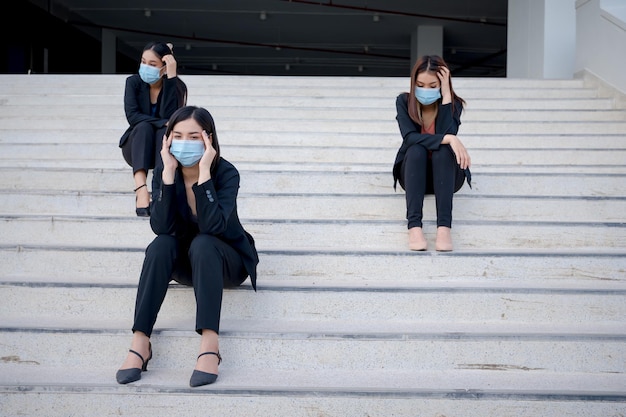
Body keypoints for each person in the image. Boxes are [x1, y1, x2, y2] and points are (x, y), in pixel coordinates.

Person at [115, 106, 259, 387]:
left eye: (193, 136)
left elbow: (214, 227)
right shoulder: (165, 172)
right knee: (159, 246)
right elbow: (161, 227)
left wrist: (203, 173)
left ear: (209, 139)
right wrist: (168, 174)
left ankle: (210, 343)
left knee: (204, 242)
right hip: (187, 263)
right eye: (177, 135)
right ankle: (140, 341)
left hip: (226, 261)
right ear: (167, 139)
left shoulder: (226, 173)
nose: (184, 142)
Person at [393, 55, 471, 252]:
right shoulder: (404, 101)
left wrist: (446, 96)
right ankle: (414, 227)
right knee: (417, 149)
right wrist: (450, 139)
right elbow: (409, 137)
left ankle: (444, 228)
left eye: (432, 85)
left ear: (442, 83)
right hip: (413, 175)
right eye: (420, 84)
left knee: (442, 151)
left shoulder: (454, 104)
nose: (425, 90)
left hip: (446, 177)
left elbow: (447, 132)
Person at [119, 41, 188, 217]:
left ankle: (159, 191)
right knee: (142, 127)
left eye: (152, 64)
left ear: (164, 68)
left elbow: (173, 119)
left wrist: (171, 78)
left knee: (164, 133)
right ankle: (141, 189)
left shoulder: (177, 87)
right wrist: (161, 122)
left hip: (163, 148)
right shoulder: (133, 83)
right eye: (143, 62)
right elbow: (133, 117)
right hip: (136, 148)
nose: (145, 67)